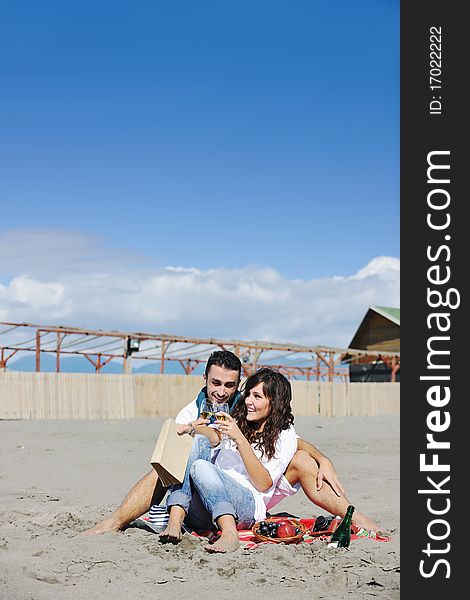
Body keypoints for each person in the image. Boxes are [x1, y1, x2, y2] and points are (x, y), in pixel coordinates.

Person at [82, 350, 379, 536]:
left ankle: (355, 514)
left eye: (230, 386)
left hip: (247, 491)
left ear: (238, 385)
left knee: (303, 460)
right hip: (204, 483)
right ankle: (122, 520)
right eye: (215, 384)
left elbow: (292, 441)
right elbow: (195, 445)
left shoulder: (246, 408)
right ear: (204, 379)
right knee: (179, 460)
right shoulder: (197, 410)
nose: (223, 392)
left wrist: (323, 458)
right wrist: (192, 430)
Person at [160, 367, 297, 553]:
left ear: (274, 402)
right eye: (248, 394)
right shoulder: (239, 420)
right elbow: (213, 440)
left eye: (257, 397)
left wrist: (239, 439)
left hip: (247, 506)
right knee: (197, 441)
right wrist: (194, 427)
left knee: (201, 467)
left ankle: (230, 534)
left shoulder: (285, 435)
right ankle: (175, 521)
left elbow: (263, 484)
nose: (248, 401)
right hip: (208, 504)